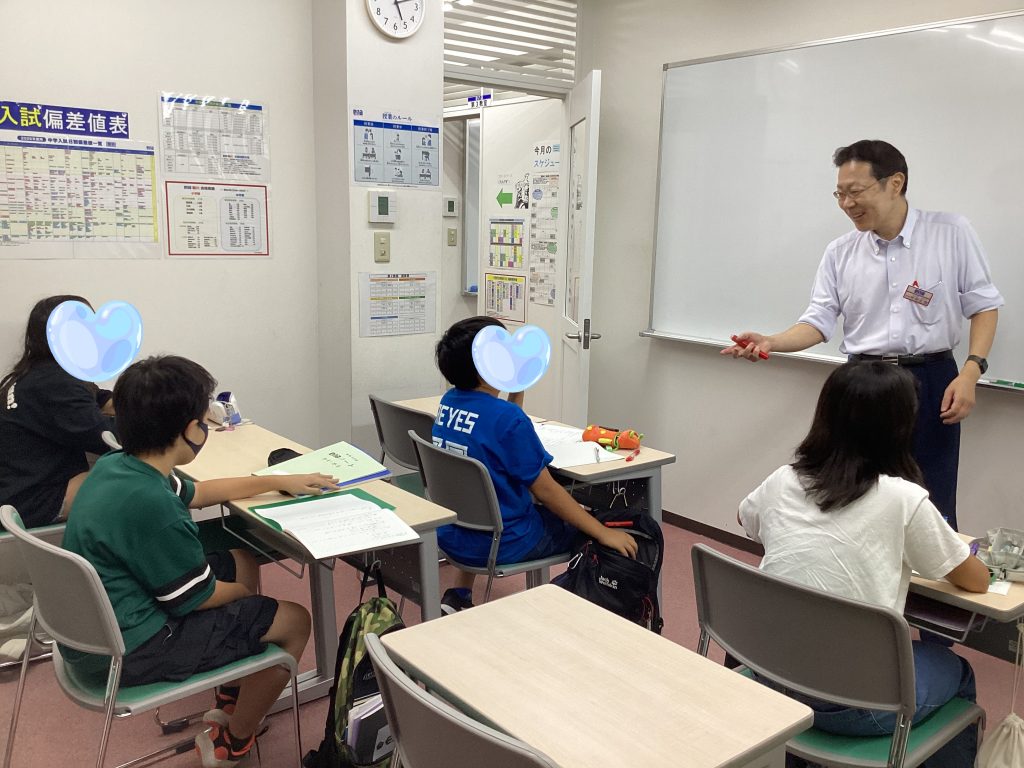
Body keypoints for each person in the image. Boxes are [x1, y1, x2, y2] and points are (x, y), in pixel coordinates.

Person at [62, 355, 340, 768]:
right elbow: (195, 597)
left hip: (100, 628)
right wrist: (242, 595)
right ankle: (233, 742)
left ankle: (233, 688)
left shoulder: (121, 465)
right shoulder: (153, 505)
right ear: (191, 430)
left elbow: (200, 493)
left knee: (241, 559)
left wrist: (277, 480)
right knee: (294, 620)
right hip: (131, 649)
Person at [723, 140, 1003, 530]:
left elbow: (983, 306)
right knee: (853, 494)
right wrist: (772, 342)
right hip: (861, 383)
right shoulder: (840, 252)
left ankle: (929, 571)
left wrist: (971, 371)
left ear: (895, 183)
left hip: (931, 379)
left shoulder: (950, 233)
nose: (847, 204)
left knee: (930, 496)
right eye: (840, 194)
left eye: (855, 192)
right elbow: (818, 321)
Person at [738, 361, 990, 768]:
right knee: (957, 671)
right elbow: (976, 581)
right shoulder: (903, 499)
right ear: (900, 428)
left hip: (768, 675)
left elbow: (744, 519)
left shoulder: (783, 479)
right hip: (857, 706)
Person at [432, 316, 638, 613]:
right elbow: (546, 491)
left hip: (454, 533)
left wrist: (516, 387)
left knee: (490, 502)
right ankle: (564, 611)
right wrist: (602, 532)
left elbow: (495, 426)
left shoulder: (449, 402)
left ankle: (459, 595)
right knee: (592, 525)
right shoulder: (509, 420)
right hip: (507, 541)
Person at [0, 295, 117, 528]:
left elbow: (100, 398)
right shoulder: (54, 384)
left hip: (17, 491)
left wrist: (147, 401)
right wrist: (165, 421)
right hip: (35, 500)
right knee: (137, 473)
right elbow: (111, 439)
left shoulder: (32, 375)